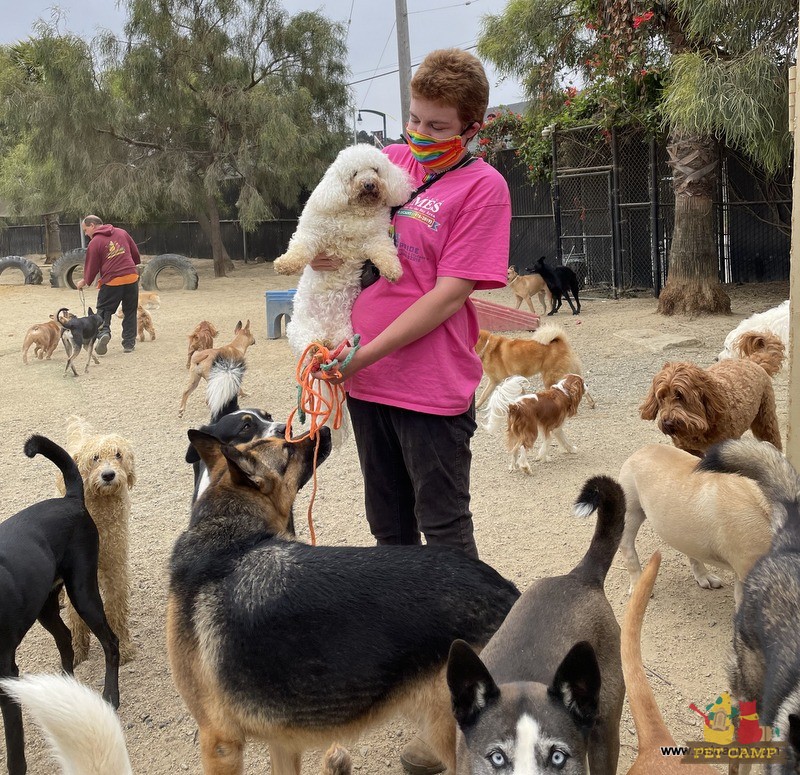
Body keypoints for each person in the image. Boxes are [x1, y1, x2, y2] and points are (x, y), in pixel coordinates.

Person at [312, 49, 511, 774]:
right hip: (367, 386)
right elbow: (335, 222)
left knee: (445, 534)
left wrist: (368, 352)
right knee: (388, 531)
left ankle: (478, 688)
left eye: (437, 126)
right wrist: (323, 256)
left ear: (472, 127)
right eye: (414, 119)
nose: (418, 135)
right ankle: (412, 679)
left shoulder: (483, 188)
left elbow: (448, 295)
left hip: (428, 388)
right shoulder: (389, 164)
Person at [76, 216, 141, 354]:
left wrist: (85, 281)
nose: (86, 234)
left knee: (103, 310)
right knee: (130, 311)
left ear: (92, 225)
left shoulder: (95, 242)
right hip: (131, 277)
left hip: (112, 280)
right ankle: (129, 344)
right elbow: (135, 254)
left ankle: (104, 333)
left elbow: (92, 265)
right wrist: (129, 267)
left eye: (86, 230)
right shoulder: (122, 232)